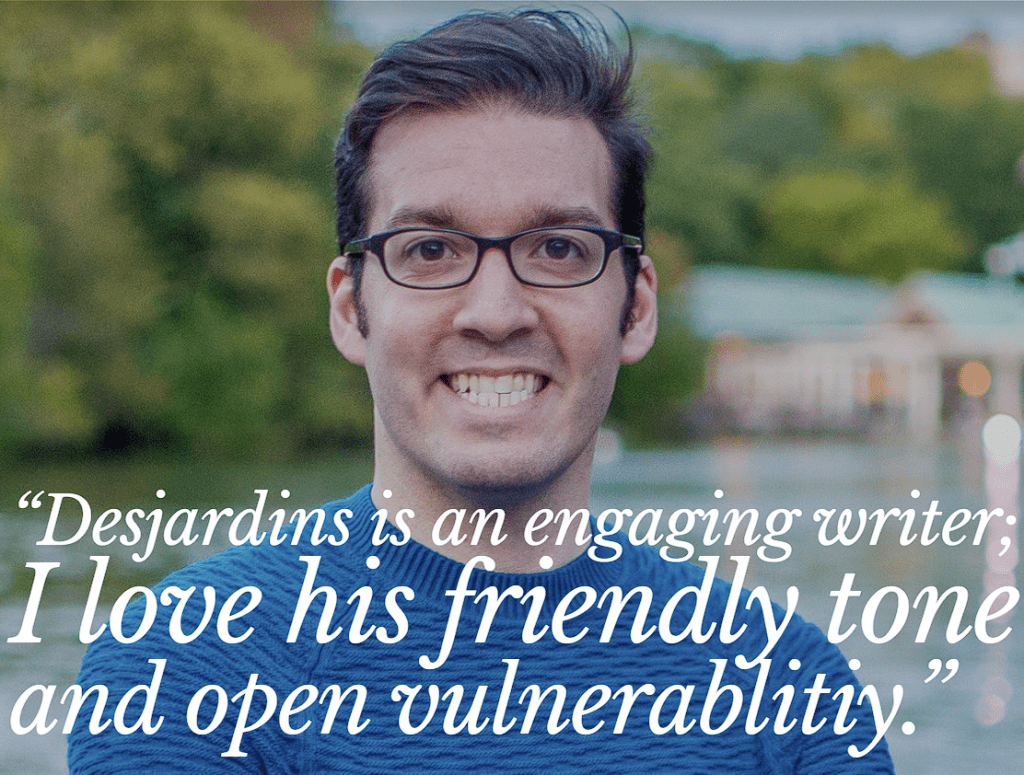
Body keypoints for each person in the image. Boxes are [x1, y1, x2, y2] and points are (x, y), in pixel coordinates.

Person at [68, 10, 895, 773]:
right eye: (429, 250)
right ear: (353, 309)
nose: (496, 313)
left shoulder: (788, 695)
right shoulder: (184, 671)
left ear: (635, 307)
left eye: (559, 249)